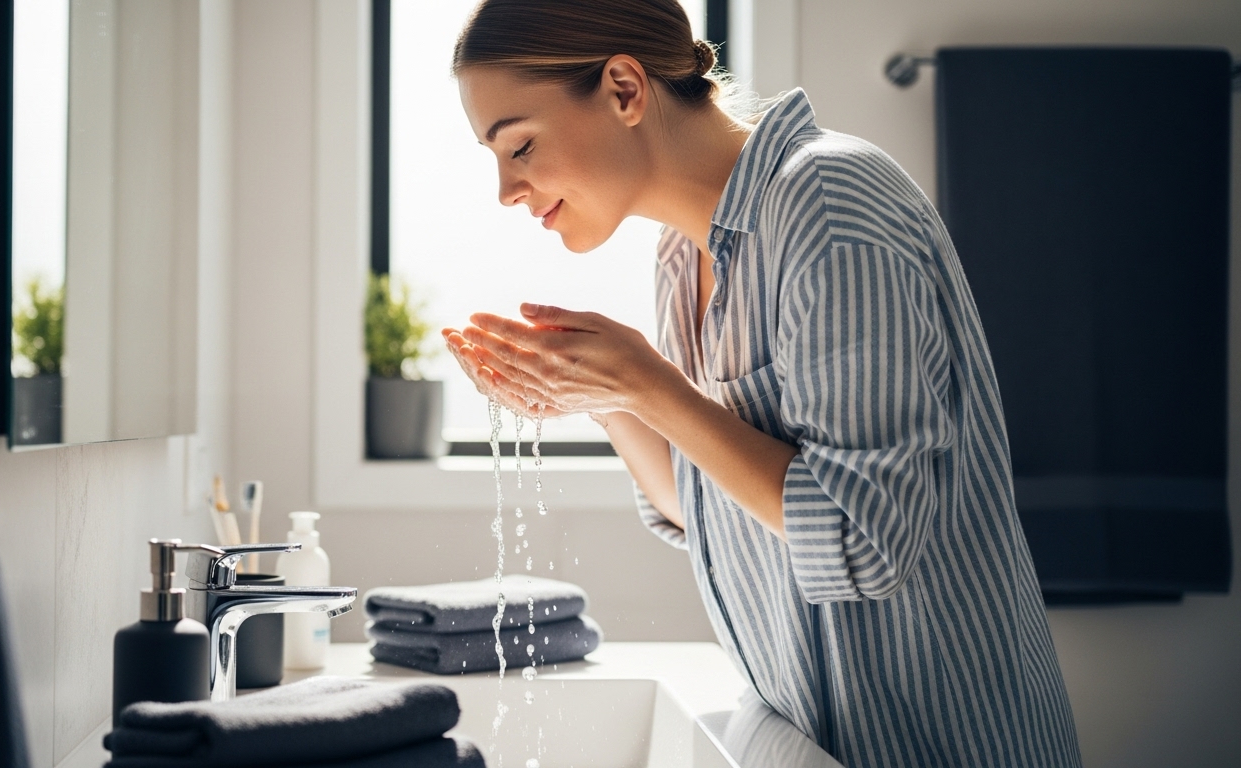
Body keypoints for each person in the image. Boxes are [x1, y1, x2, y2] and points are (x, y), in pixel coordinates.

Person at [440, 1, 1082, 766]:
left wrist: (653, 386)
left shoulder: (832, 206)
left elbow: (861, 542)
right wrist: (606, 400)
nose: (506, 190)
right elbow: (708, 501)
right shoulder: (684, 255)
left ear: (622, 88)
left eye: (519, 146)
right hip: (811, 739)